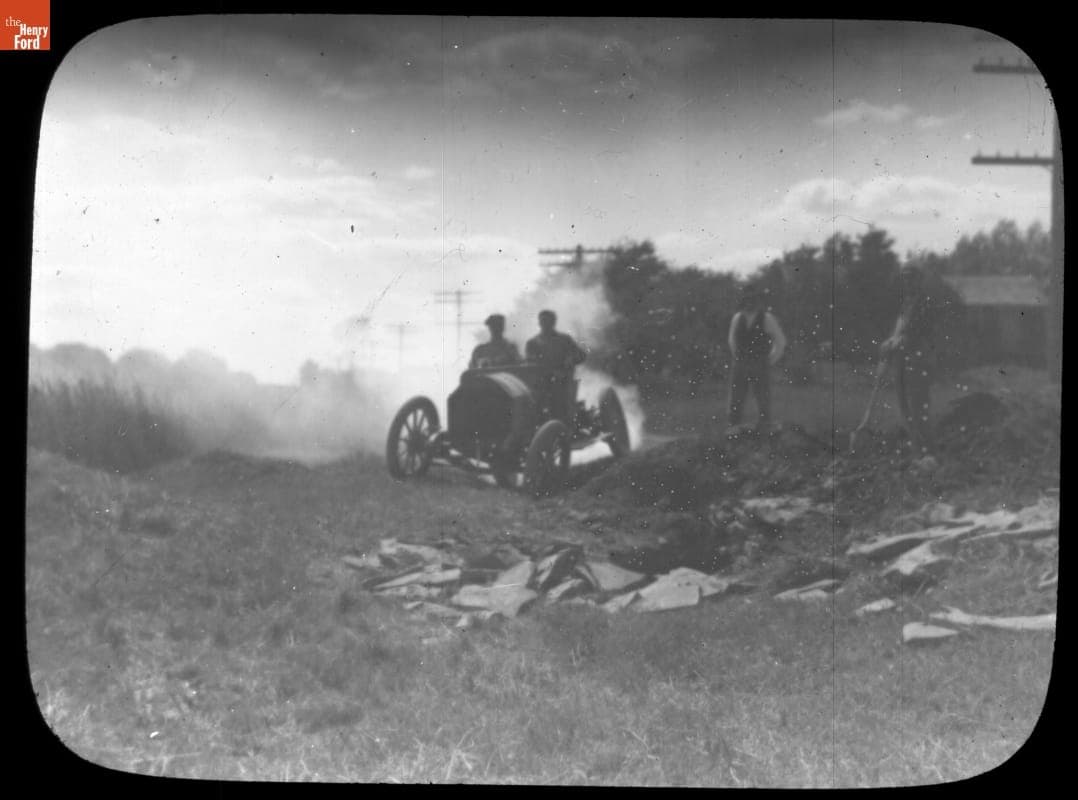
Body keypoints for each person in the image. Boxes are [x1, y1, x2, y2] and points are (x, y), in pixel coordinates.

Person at [880, 264, 934, 456]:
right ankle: (916, 450)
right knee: (905, 408)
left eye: (912, 278)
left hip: (917, 361)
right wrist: (890, 342)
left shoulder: (925, 303)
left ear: (919, 280)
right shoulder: (906, 304)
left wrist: (898, 341)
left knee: (917, 408)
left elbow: (919, 332)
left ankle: (925, 452)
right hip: (901, 360)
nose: (908, 282)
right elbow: (900, 329)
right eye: (905, 279)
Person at [727, 285, 786, 430]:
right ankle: (733, 428)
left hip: (760, 363)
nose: (749, 302)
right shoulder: (737, 318)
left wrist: (770, 360)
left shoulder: (767, 318)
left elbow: (780, 341)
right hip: (740, 362)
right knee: (736, 397)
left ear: (758, 300)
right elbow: (732, 340)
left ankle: (764, 429)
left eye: (753, 299)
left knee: (762, 397)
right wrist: (738, 356)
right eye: (746, 299)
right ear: (743, 300)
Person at [525, 310, 586, 422]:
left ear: (554, 322)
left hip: (562, 381)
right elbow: (529, 364)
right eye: (543, 321)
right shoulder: (533, 343)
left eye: (548, 321)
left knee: (559, 402)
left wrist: (571, 360)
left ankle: (565, 421)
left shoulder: (564, 340)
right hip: (540, 383)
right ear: (539, 323)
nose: (545, 324)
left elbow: (581, 355)